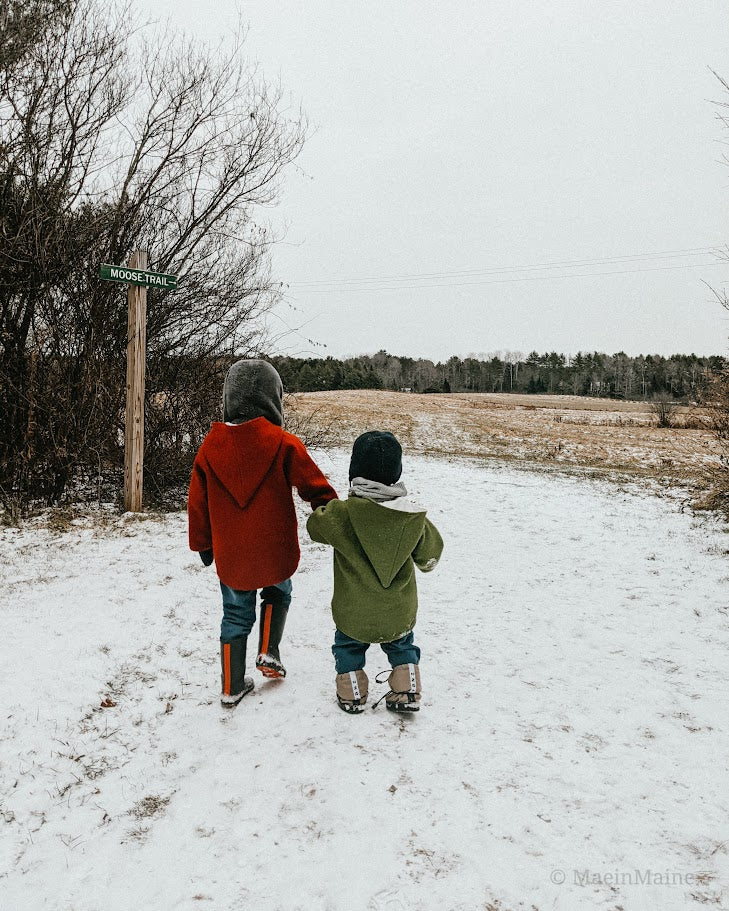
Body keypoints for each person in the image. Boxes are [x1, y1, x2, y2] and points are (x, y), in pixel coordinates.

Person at [188, 359, 337, 706]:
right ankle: (269, 651)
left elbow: (197, 502)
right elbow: (315, 486)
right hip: (274, 547)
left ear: (229, 399)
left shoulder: (210, 448)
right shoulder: (284, 443)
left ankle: (231, 684)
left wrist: (203, 545)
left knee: (236, 613)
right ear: (275, 399)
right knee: (278, 593)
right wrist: (329, 511)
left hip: (232, 552)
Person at [307, 431, 443, 714]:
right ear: (396, 473)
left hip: (353, 612)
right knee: (402, 645)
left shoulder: (340, 514)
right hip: (398, 611)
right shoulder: (412, 518)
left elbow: (314, 527)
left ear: (354, 472)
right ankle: (407, 689)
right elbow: (430, 557)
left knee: (348, 648)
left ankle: (353, 694)